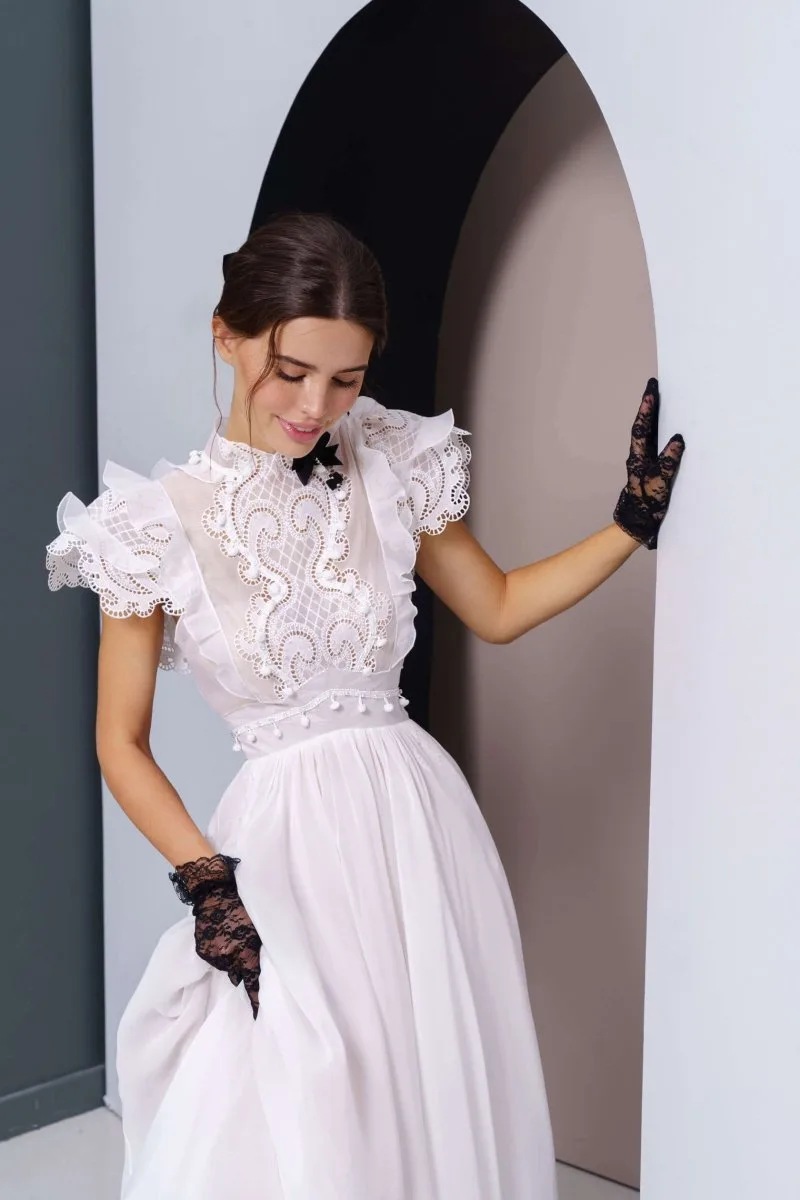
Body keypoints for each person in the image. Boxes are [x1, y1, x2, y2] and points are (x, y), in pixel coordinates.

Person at [46, 211, 684, 1200]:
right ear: (226, 335)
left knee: (421, 1092)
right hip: (284, 847)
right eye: (291, 371)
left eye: (344, 379)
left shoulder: (387, 457)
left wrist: (627, 526)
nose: (317, 406)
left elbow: (496, 607)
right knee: (292, 1105)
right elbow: (119, 742)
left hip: (417, 825)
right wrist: (210, 887)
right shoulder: (147, 526)